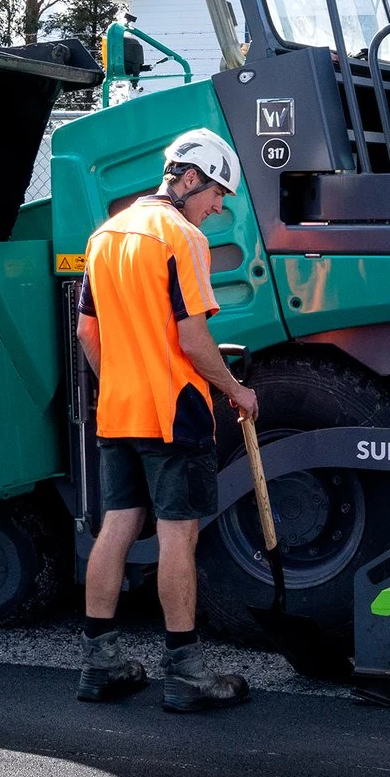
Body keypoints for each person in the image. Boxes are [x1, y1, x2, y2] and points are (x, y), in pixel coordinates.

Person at [73, 128, 261, 713]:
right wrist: (236, 390)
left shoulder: (104, 236)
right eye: (216, 194)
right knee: (180, 534)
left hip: (118, 409)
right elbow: (193, 337)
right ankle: (185, 671)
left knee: (117, 527)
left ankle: (99, 663)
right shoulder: (182, 238)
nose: (219, 207)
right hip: (174, 411)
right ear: (188, 179)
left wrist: (122, 381)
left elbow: (86, 331)